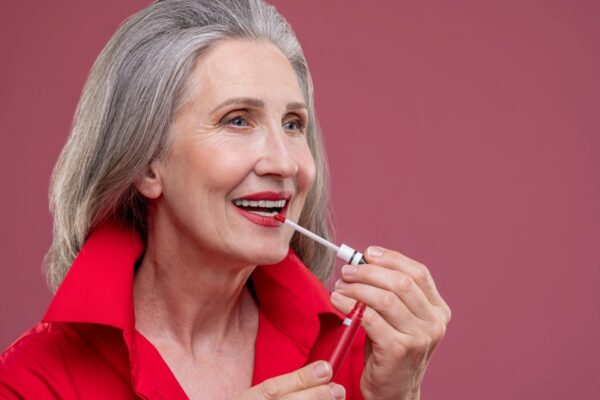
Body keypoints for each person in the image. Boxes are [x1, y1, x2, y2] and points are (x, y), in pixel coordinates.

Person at [0, 0, 451, 399]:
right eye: (237, 120)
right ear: (146, 165)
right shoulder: (31, 381)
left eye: (293, 124)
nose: (285, 163)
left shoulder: (359, 355)